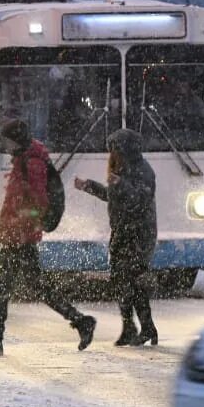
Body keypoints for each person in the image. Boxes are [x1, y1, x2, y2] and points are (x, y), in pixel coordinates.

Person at [0, 119, 96, 356]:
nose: (4, 145)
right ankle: (79, 321)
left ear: (16, 139)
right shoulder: (23, 159)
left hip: (21, 238)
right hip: (15, 236)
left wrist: (23, 221)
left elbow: (40, 203)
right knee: (23, 288)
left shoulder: (32, 162)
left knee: (10, 288)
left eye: (7, 140)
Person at [74, 129, 159, 346]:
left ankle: (145, 327)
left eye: (114, 149)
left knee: (134, 282)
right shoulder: (123, 168)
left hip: (138, 235)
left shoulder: (142, 170)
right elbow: (113, 197)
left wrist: (120, 183)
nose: (111, 154)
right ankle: (130, 327)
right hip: (122, 233)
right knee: (121, 282)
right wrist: (89, 186)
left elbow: (140, 199)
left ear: (125, 150)